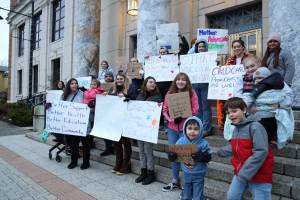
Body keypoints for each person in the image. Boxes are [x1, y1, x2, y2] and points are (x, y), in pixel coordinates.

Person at [217, 97, 274, 200]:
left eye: (234, 111)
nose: (231, 115)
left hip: (260, 175)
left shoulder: (255, 127)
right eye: (228, 113)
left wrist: (244, 173)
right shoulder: (235, 130)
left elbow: (261, 152)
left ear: (244, 110)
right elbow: (235, 147)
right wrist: (216, 152)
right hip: (240, 173)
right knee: (232, 196)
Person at [162, 72, 199, 192]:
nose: (180, 82)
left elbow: (195, 110)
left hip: (186, 129)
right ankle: (175, 180)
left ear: (187, 82)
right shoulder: (169, 93)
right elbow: (165, 110)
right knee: (174, 154)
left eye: (183, 80)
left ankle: (188, 183)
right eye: (178, 79)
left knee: (186, 155)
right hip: (172, 128)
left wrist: (183, 114)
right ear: (175, 81)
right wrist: (170, 119)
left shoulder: (192, 93)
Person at [168, 116, 211, 200]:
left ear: (200, 130)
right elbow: (174, 153)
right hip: (186, 173)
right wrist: (172, 155)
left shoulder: (203, 143)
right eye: (189, 128)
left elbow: (209, 156)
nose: (192, 131)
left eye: (195, 129)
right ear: (185, 129)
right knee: (186, 195)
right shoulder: (181, 141)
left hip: (199, 174)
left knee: (197, 196)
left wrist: (203, 156)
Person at [250, 67, 294, 148]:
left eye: (260, 78)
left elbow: (288, 97)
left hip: (275, 110)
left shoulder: (279, 84)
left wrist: (279, 105)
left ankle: (274, 137)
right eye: (256, 79)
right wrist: (252, 107)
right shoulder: (256, 87)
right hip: (260, 112)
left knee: (273, 122)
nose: (258, 80)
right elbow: (251, 98)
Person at [109, 72, 138, 175]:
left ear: (124, 79)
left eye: (121, 79)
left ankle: (126, 164)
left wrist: (128, 98)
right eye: (118, 79)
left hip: (126, 120)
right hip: (116, 120)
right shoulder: (112, 90)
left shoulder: (130, 88)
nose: (119, 80)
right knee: (117, 143)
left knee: (126, 143)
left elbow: (135, 100)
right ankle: (118, 163)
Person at [135, 76, 162, 185]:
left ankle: (151, 173)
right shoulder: (140, 95)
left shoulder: (157, 96)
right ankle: (143, 171)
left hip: (150, 128)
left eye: (154, 82)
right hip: (140, 127)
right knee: (141, 150)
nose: (152, 84)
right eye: (150, 82)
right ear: (145, 83)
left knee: (148, 151)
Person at [62, 78, 91, 170]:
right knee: (73, 144)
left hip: (83, 124)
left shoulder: (83, 94)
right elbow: (59, 106)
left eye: (76, 83)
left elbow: (90, 103)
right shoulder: (65, 95)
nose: (74, 85)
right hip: (72, 125)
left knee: (85, 144)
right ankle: (73, 161)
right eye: (72, 83)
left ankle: (86, 162)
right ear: (68, 85)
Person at [192, 40, 212, 137]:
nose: (201, 48)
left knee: (205, 107)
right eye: (199, 47)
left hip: (205, 85)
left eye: (203, 47)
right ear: (197, 48)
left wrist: (215, 63)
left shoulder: (210, 57)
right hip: (195, 85)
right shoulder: (192, 58)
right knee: (198, 108)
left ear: (205, 48)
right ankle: (200, 127)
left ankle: (206, 129)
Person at [83, 79, 104, 149]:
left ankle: (89, 142)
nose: (92, 86)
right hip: (86, 109)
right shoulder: (89, 90)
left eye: (94, 84)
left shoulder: (98, 91)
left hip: (93, 110)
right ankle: (89, 142)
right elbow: (86, 95)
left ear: (98, 85)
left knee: (90, 126)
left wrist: (89, 92)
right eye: (91, 84)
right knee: (88, 126)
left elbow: (91, 96)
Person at [100, 71, 115, 156]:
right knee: (104, 131)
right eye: (106, 76)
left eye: (110, 76)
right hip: (103, 112)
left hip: (113, 112)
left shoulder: (115, 86)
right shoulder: (101, 86)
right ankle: (108, 148)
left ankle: (113, 147)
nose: (108, 77)